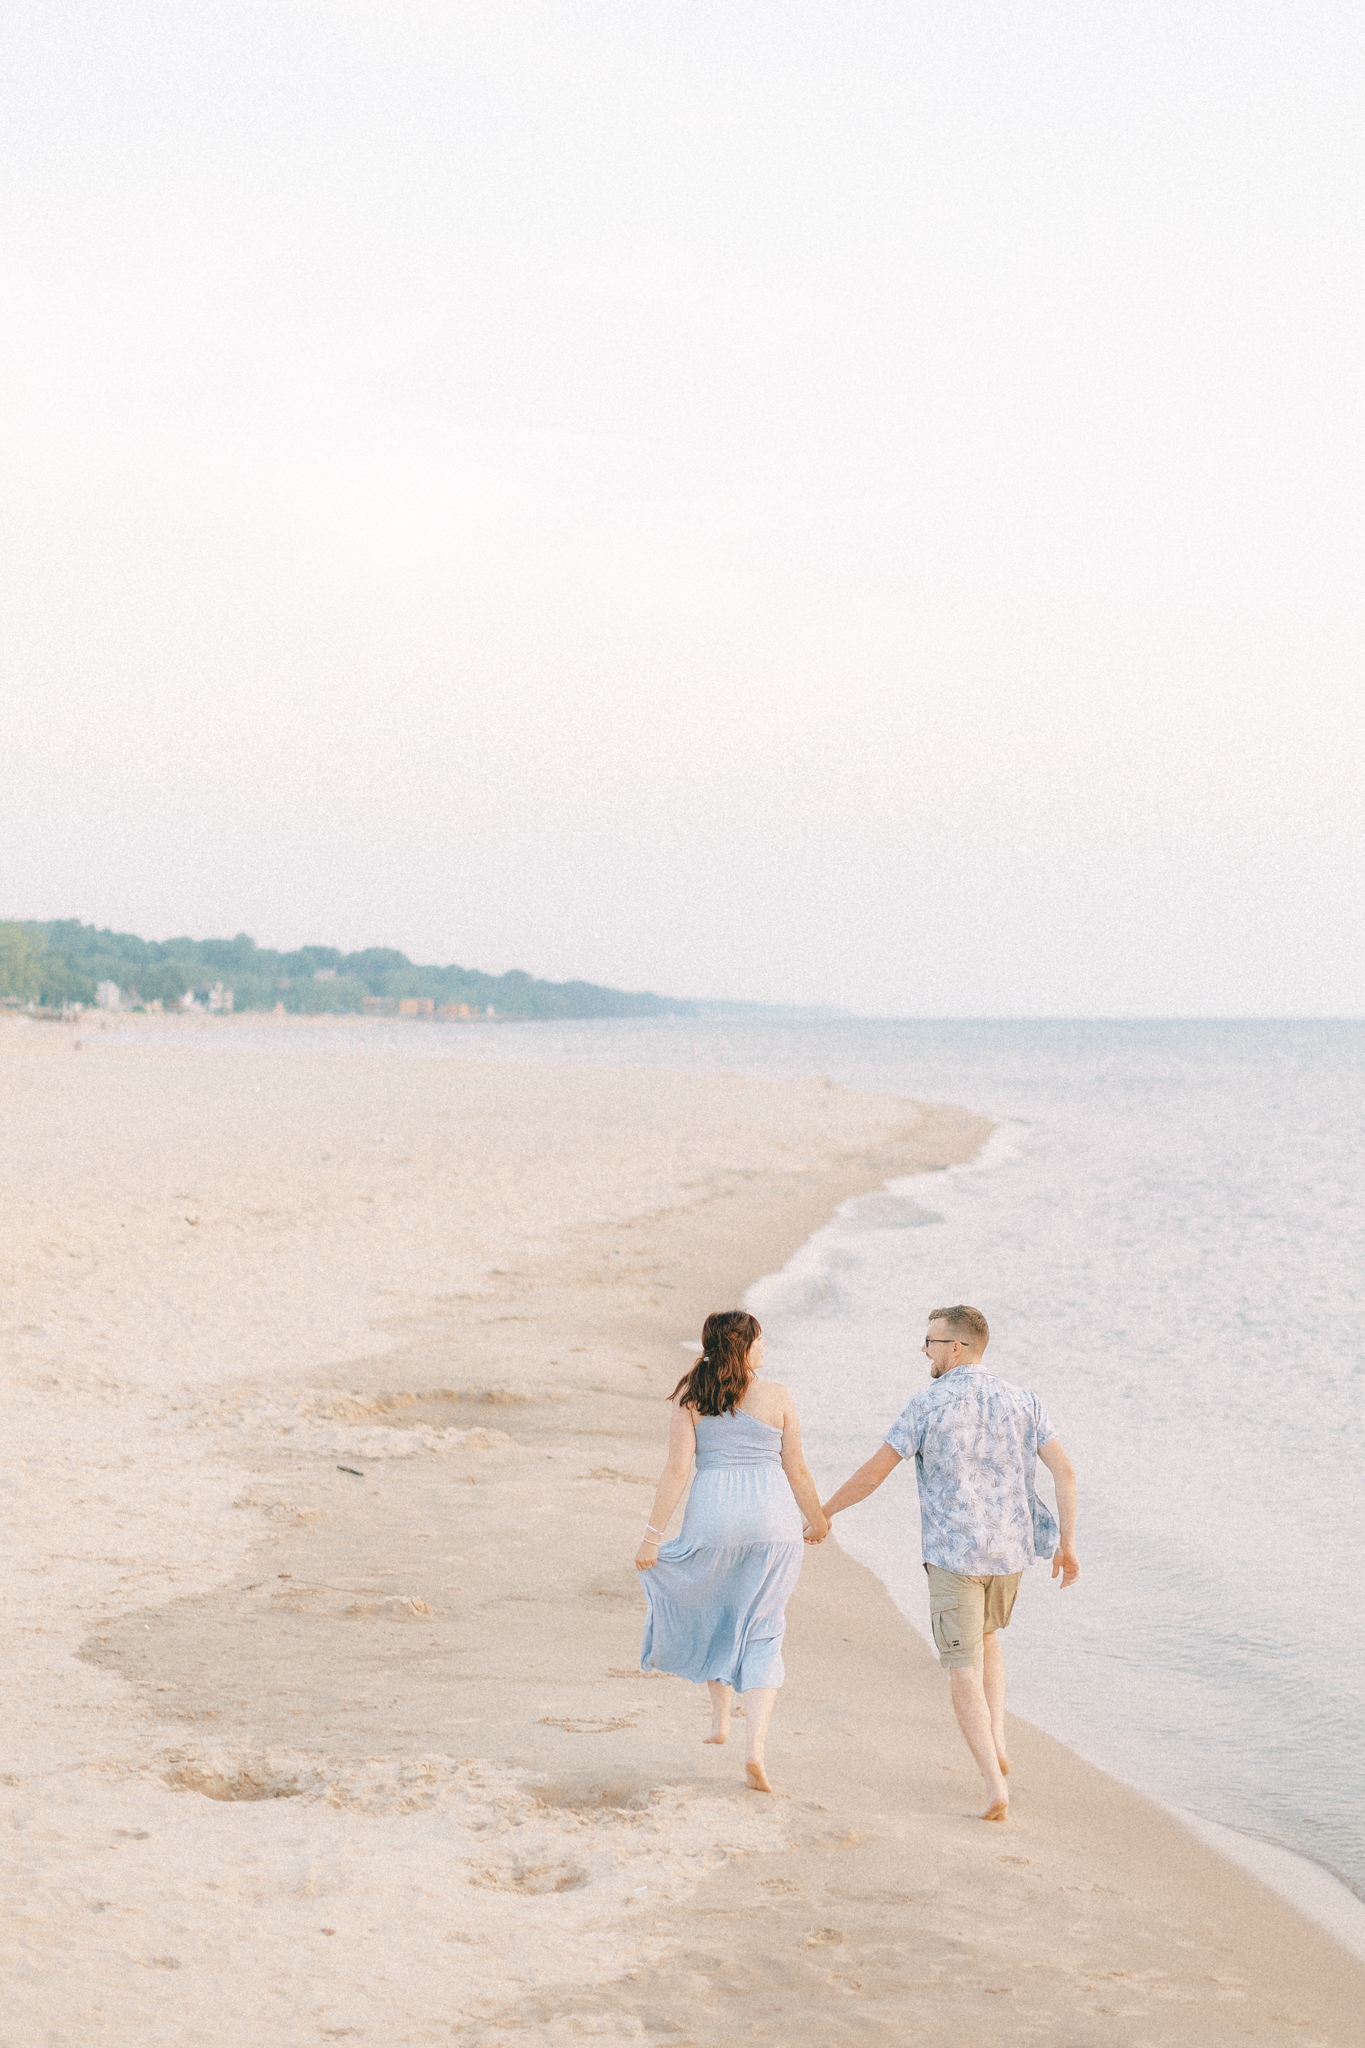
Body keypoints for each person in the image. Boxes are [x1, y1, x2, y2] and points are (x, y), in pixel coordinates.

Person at [820, 1304, 1079, 1821]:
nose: (925, 1350)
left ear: (956, 1348)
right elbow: (1065, 1473)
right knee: (987, 1638)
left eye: (931, 1341)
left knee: (962, 1666)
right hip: (1010, 1554)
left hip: (954, 1557)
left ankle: (993, 1784)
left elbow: (874, 1475)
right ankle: (998, 1737)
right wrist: (1068, 1545)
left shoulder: (927, 1405)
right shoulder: (1024, 1401)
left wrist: (822, 1514)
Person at [635, 1310, 829, 1792]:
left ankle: (720, 1719)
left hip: (713, 1519)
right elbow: (797, 1469)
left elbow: (677, 1471)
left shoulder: (692, 1395)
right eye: (760, 1339)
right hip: (772, 1523)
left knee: (711, 1610)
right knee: (764, 1629)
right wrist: (819, 1518)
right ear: (743, 1346)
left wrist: (652, 1536)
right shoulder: (778, 1395)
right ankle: (754, 1749)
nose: (765, 1347)